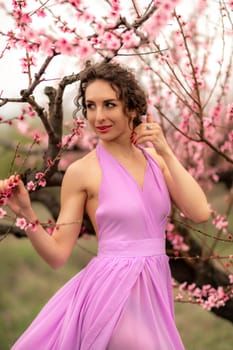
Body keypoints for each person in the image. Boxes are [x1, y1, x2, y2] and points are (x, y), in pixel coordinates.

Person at [0, 61, 210, 350]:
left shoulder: (157, 162)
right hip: (110, 292)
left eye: (109, 104)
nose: (98, 116)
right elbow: (58, 255)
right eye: (90, 106)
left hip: (154, 289)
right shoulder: (82, 172)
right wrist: (26, 213)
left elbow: (200, 212)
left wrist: (166, 151)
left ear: (133, 108)